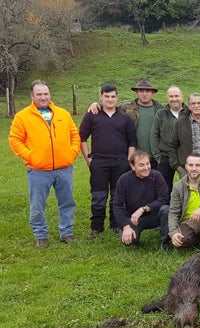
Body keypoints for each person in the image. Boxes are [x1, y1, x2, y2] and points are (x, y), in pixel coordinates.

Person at [8, 80, 80, 247]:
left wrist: (71, 153)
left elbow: (74, 136)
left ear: (50, 94)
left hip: (64, 168)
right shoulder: (23, 117)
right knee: (37, 205)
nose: (43, 97)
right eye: (39, 94)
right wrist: (30, 156)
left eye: (46, 93)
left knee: (67, 203)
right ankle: (41, 235)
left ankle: (67, 233)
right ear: (32, 96)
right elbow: (14, 140)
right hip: (38, 171)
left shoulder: (63, 114)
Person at [79, 83, 137, 240]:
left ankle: (116, 223)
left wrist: (129, 161)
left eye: (113, 97)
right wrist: (88, 159)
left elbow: (132, 141)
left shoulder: (124, 118)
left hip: (120, 162)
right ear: (101, 97)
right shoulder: (92, 115)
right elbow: (82, 138)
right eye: (107, 96)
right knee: (98, 196)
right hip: (99, 162)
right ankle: (96, 227)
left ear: (117, 98)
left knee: (117, 196)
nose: (110, 100)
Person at [113, 150, 170, 248]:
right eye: (141, 165)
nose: (146, 168)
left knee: (166, 209)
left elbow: (164, 198)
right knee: (130, 242)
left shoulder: (156, 176)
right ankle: (130, 232)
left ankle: (166, 243)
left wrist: (144, 208)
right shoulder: (124, 180)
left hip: (154, 215)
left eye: (148, 164)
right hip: (133, 218)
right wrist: (125, 226)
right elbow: (117, 205)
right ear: (132, 166)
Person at [169, 92, 200, 179]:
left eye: (199, 103)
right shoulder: (180, 123)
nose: (196, 106)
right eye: (193, 103)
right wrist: (178, 167)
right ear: (189, 105)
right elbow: (172, 146)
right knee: (188, 192)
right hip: (187, 170)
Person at [150, 85, 189, 193]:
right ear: (167, 98)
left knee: (186, 187)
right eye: (171, 96)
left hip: (184, 157)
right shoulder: (161, 113)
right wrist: (158, 157)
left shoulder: (188, 113)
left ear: (182, 97)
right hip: (165, 157)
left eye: (176, 96)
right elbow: (154, 135)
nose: (174, 99)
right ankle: (166, 209)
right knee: (164, 189)